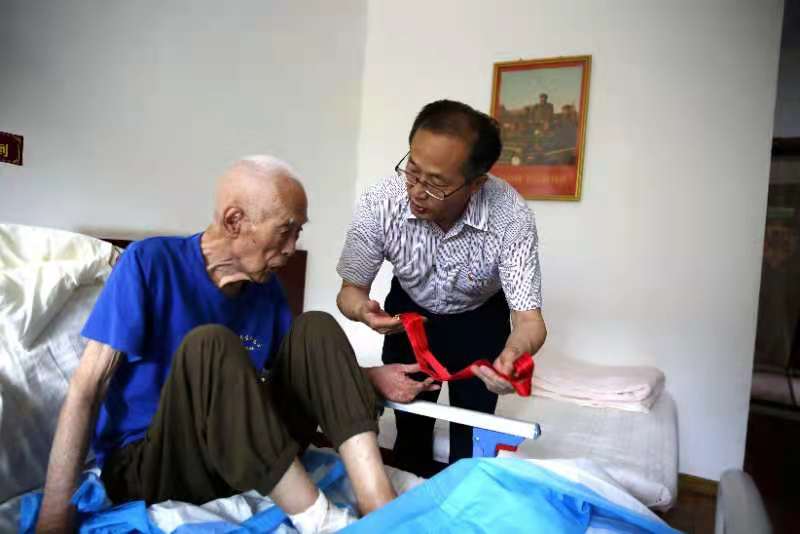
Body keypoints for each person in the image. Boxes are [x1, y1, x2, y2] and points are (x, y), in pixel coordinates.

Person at [36, 156, 396, 534]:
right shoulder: (149, 263)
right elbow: (86, 388)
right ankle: (322, 521)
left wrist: (368, 376)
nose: (292, 247)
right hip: (154, 464)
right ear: (234, 220)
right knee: (211, 344)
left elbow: (302, 371)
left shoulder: (266, 288)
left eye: (298, 232)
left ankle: (379, 504)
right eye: (285, 231)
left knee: (316, 326)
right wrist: (53, 518)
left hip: (235, 459)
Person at [336, 100, 547, 475]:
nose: (417, 191)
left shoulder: (510, 217)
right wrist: (362, 312)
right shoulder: (380, 203)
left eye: (436, 183)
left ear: (476, 183)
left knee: (471, 438)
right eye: (413, 171)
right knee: (410, 432)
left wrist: (514, 355)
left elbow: (530, 321)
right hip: (408, 317)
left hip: (480, 320)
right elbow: (350, 292)